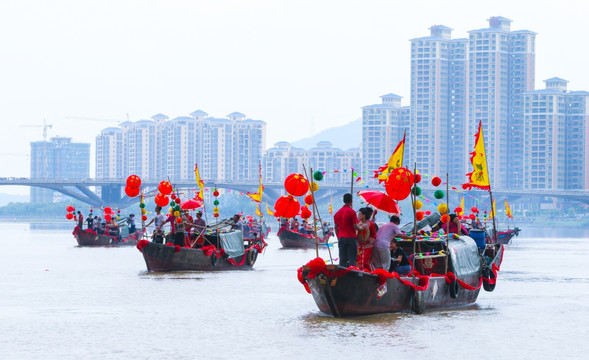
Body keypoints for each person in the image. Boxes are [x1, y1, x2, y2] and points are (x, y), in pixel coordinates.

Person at [334, 193, 358, 268]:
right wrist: (361, 228)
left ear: (343, 201)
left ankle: (341, 275)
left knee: (342, 259)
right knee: (352, 259)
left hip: (341, 238)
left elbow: (336, 227)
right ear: (351, 201)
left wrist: (338, 237)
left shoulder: (337, 213)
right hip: (351, 238)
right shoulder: (352, 212)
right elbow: (355, 226)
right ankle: (351, 275)